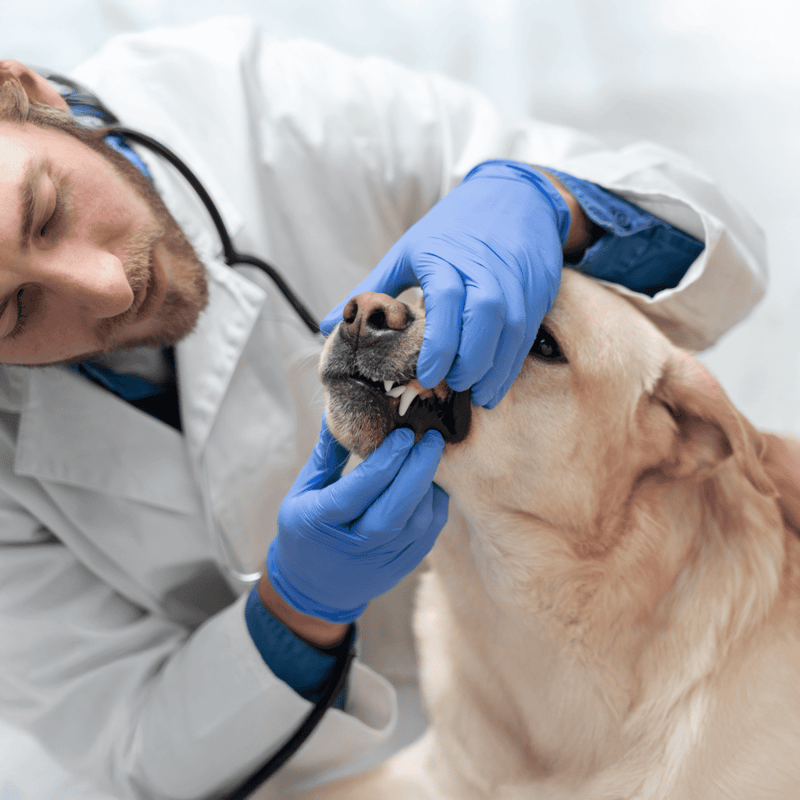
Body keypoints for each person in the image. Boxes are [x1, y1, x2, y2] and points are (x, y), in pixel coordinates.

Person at [0, 15, 766, 800]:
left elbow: (717, 242)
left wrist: (551, 203)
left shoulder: (257, 102)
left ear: (33, 94)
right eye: (14, 310)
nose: (107, 286)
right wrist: (296, 610)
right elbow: (134, 745)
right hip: (361, 759)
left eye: (49, 210)